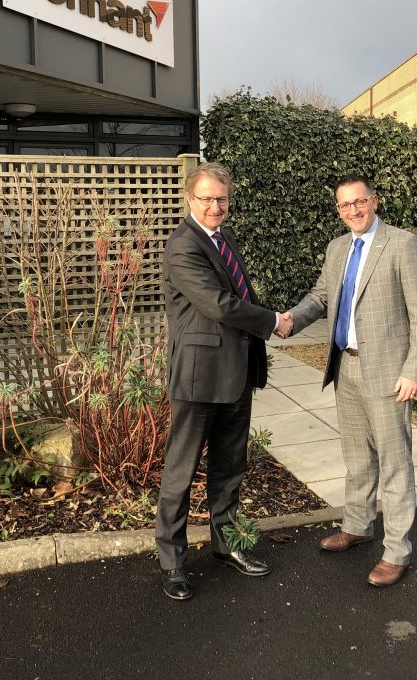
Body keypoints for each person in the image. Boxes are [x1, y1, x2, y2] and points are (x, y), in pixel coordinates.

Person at [285, 175, 417, 587]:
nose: (353, 210)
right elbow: (321, 297)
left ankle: (397, 551)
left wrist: (414, 370)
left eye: (359, 201)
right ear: (339, 210)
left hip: (388, 372)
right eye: (344, 205)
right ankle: (357, 524)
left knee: (394, 463)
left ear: (374, 201)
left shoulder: (403, 245)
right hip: (345, 368)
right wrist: (288, 321)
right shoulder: (337, 248)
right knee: (357, 458)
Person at [155, 161, 292, 601]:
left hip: (236, 374)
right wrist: (272, 321)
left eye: (222, 199)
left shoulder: (223, 239)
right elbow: (220, 305)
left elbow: (240, 298)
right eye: (207, 198)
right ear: (189, 199)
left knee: (229, 467)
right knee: (181, 470)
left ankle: (225, 545)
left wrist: (264, 321)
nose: (215, 206)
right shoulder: (183, 246)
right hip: (199, 378)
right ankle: (172, 563)